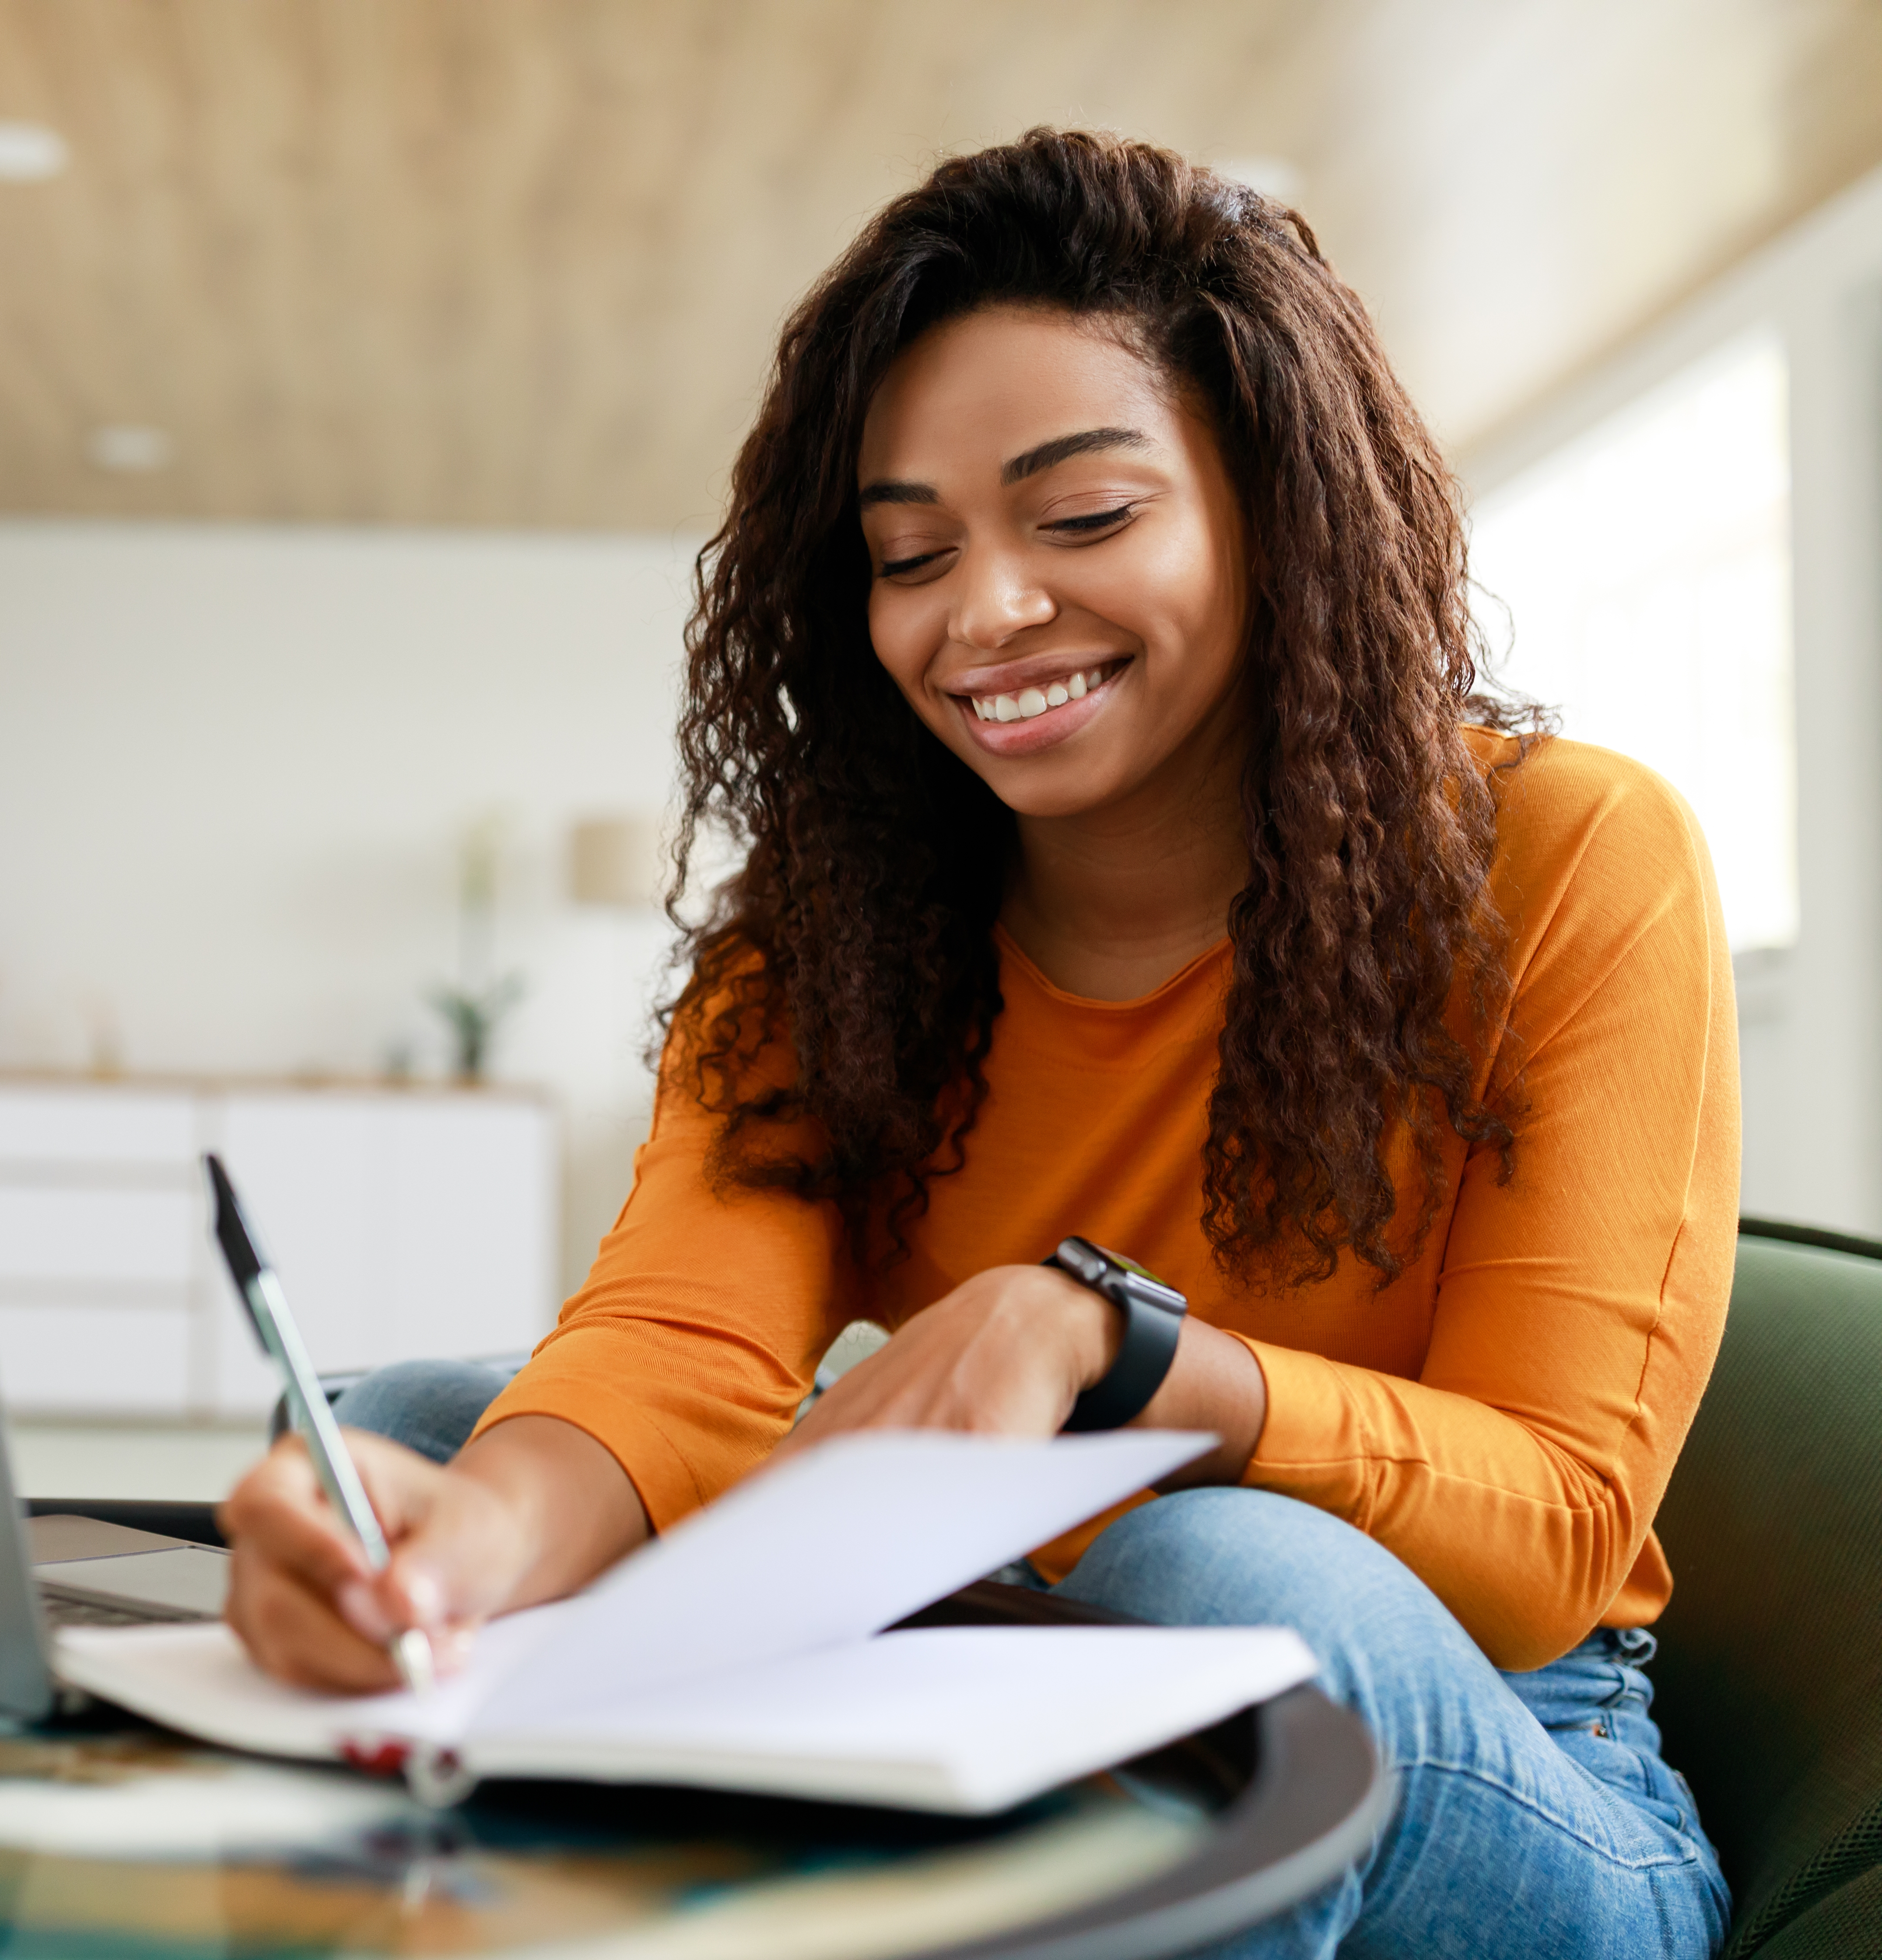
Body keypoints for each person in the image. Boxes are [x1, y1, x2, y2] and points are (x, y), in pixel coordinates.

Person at [219, 130, 1735, 1958]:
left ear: (1278, 503)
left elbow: (1558, 1524)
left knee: (1211, 1572)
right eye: (910, 552)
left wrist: (1108, 1344)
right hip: (1005, 1650)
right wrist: (452, 1570)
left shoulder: (1576, 854)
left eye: (1084, 517)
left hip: (1499, 1754)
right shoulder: (844, 918)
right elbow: (679, 1341)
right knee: (429, 1434)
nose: (984, 614)